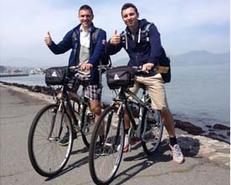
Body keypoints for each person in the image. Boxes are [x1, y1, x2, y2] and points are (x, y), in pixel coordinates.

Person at [106, 3, 184, 164]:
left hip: (152, 73)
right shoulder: (124, 35)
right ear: (123, 19)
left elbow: (156, 47)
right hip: (134, 73)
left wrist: (151, 62)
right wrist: (110, 43)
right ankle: (127, 135)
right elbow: (109, 51)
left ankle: (173, 142)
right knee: (123, 101)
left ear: (137, 14)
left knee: (162, 108)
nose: (129, 18)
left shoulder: (150, 28)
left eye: (131, 14)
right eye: (125, 16)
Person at [45, 5, 106, 146]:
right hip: (75, 72)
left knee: (96, 108)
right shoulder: (73, 33)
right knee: (62, 97)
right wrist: (50, 44)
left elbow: (98, 51)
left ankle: (102, 139)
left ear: (92, 17)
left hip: (92, 73)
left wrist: (91, 63)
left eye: (88, 16)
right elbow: (59, 49)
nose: (85, 18)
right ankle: (71, 128)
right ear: (79, 17)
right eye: (82, 16)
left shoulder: (100, 33)